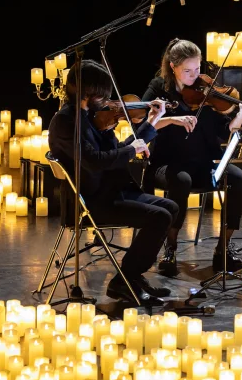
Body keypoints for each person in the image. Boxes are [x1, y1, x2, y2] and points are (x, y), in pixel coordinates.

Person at [47, 58, 179, 305]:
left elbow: (117, 152)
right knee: (159, 217)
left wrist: (151, 122)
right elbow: (95, 161)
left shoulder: (90, 116)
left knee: (170, 208)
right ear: (87, 91)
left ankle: (131, 277)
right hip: (91, 202)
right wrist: (132, 150)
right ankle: (125, 280)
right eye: (103, 94)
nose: (108, 101)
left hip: (110, 191)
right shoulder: (67, 121)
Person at [141, 38, 242, 275]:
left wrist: (239, 118)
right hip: (167, 164)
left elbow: (223, 132)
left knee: (240, 180)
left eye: (198, 69)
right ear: (173, 66)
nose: (195, 76)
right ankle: (170, 248)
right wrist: (171, 119)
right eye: (187, 71)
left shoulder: (207, 92)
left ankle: (223, 249)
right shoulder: (159, 88)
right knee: (181, 180)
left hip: (202, 163)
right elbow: (142, 124)